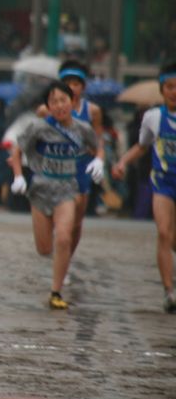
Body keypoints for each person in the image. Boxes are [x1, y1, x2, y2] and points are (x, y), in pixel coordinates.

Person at [10, 80, 103, 310]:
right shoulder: (39, 127)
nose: (59, 106)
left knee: (63, 237)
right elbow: (17, 150)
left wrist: (100, 160)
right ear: (47, 106)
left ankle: (56, 291)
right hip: (41, 189)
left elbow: (97, 145)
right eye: (54, 101)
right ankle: (56, 261)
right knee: (44, 249)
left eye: (63, 100)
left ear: (72, 102)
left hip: (67, 189)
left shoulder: (82, 129)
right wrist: (18, 175)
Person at [110, 62, 176, 313]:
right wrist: (122, 162)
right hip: (162, 183)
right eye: (169, 87)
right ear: (162, 89)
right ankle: (169, 291)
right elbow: (142, 146)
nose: (173, 92)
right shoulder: (154, 117)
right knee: (163, 232)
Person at [37, 60, 105, 254]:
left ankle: (66, 257)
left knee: (75, 221)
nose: (72, 88)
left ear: (83, 86)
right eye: (68, 83)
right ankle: (55, 246)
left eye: (76, 84)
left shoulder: (92, 111)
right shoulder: (45, 110)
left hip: (80, 168)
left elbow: (98, 140)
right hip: (54, 169)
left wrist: (99, 160)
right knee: (55, 217)